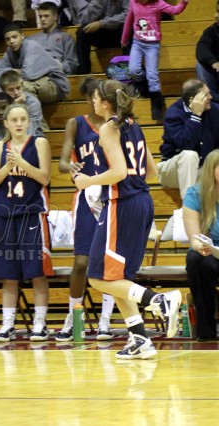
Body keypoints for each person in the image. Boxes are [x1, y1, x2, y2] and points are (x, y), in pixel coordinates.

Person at [73, 80, 181, 359]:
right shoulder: (134, 125)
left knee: (97, 278)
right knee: (118, 278)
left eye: (95, 98)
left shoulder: (109, 128)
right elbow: (152, 170)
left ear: (105, 103)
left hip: (122, 204)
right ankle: (140, 338)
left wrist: (88, 181)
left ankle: (160, 300)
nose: (92, 102)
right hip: (142, 201)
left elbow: (119, 172)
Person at [56, 77, 115, 342]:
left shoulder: (115, 124)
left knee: (109, 262)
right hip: (86, 196)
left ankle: (105, 320)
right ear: (89, 97)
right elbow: (62, 163)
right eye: (93, 95)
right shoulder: (76, 124)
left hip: (112, 195)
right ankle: (74, 316)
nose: (97, 99)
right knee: (81, 262)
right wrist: (70, 166)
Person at [0, 104, 52, 342]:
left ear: (29, 121)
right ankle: (7, 324)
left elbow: (45, 177)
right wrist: (8, 166)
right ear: (5, 123)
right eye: (14, 119)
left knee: (37, 273)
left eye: (23, 119)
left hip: (31, 214)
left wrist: (21, 162)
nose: (18, 123)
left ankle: (40, 323)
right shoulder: (0, 147)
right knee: (9, 274)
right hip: (5, 215)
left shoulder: (39, 143)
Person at [121, 0, 189, 120]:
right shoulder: (134, 3)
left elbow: (174, 10)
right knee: (133, 70)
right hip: (137, 42)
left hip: (152, 45)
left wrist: (183, 3)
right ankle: (145, 85)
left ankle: (156, 104)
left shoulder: (158, 3)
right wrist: (124, 39)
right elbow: (129, 20)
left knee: (152, 75)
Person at [159, 79, 219, 201]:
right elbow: (186, 144)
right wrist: (196, 116)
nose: (211, 97)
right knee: (189, 155)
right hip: (172, 172)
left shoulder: (215, 111)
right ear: (193, 100)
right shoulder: (173, 114)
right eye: (206, 95)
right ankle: (188, 205)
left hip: (201, 171)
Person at [182, 149, 219, 342]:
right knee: (197, 261)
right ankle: (206, 330)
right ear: (211, 170)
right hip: (209, 251)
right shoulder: (195, 194)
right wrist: (199, 245)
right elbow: (195, 237)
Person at [0, 23, 70, 104]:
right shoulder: (9, 51)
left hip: (55, 84)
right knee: (8, 89)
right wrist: (14, 71)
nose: (11, 41)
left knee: (20, 89)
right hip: (36, 82)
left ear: (22, 36)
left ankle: (31, 112)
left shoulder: (30, 46)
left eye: (14, 37)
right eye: (8, 39)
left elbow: (27, 75)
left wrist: (11, 73)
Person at [70, 0, 130, 75]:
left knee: (127, 27)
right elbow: (85, 19)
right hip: (103, 34)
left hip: (120, 35)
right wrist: (99, 2)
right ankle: (84, 72)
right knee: (82, 31)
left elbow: (127, 15)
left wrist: (102, 23)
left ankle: (127, 68)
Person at [28, 2, 78, 75]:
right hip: (35, 73)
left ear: (55, 17)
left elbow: (73, 64)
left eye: (46, 16)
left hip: (57, 73)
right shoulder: (32, 39)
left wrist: (60, 66)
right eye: (40, 16)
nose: (42, 19)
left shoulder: (66, 38)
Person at [0, 70, 48, 136]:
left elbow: (32, 130)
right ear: (3, 90)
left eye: (18, 88)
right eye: (11, 90)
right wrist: (14, 105)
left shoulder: (32, 102)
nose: (16, 93)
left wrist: (17, 106)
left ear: (22, 85)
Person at [196, 2, 219, 101]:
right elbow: (201, 49)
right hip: (216, 72)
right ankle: (213, 100)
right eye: (216, 11)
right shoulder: (211, 31)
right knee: (201, 65)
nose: (215, 16)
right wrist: (214, 62)